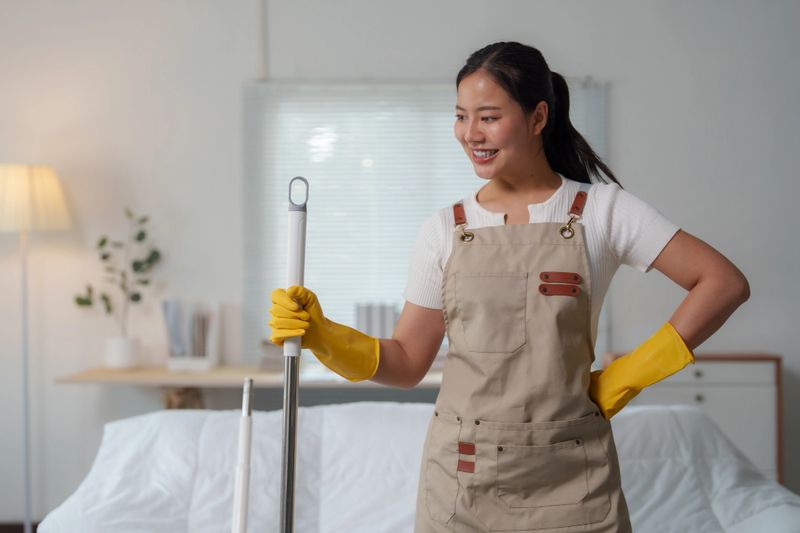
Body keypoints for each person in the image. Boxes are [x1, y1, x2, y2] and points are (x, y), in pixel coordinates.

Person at [269, 41, 750, 532]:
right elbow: (408, 362)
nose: (470, 134)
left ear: (538, 117)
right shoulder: (444, 230)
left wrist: (630, 374)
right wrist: (323, 337)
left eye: (489, 117)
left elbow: (723, 283)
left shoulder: (603, 213)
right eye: (461, 117)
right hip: (461, 482)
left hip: (572, 478)